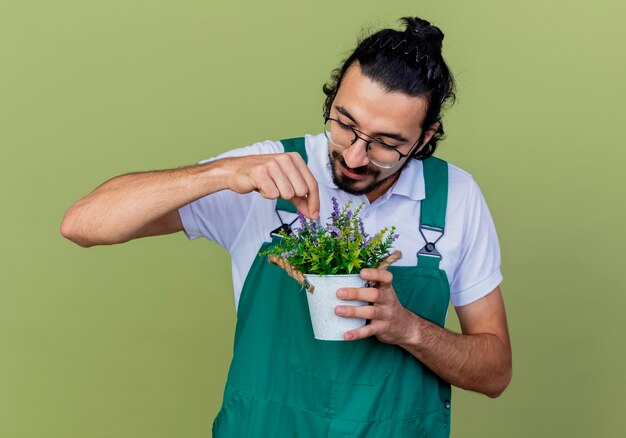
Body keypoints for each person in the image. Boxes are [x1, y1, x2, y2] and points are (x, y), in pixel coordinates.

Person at [61, 16, 511, 437]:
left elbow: (494, 372)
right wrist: (219, 174)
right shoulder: (268, 170)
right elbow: (82, 224)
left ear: (425, 137)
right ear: (332, 96)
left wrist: (408, 328)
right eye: (344, 124)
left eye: (386, 144)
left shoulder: (456, 198)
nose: (355, 156)